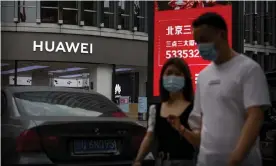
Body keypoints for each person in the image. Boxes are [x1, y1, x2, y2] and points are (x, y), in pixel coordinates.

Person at [179, 12, 271, 166]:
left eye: (204, 40)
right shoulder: (203, 76)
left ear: (221, 34)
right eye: (197, 42)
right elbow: (200, 123)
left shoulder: (249, 70)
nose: (200, 46)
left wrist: (235, 158)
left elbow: (255, 117)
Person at [133, 58, 199, 166]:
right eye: (168, 73)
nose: (172, 78)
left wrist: (181, 129)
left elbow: (198, 142)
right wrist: (138, 160)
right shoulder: (155, 109)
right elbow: (149, 137)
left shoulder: (194, 108)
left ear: (186, 79)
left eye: (178, 74)